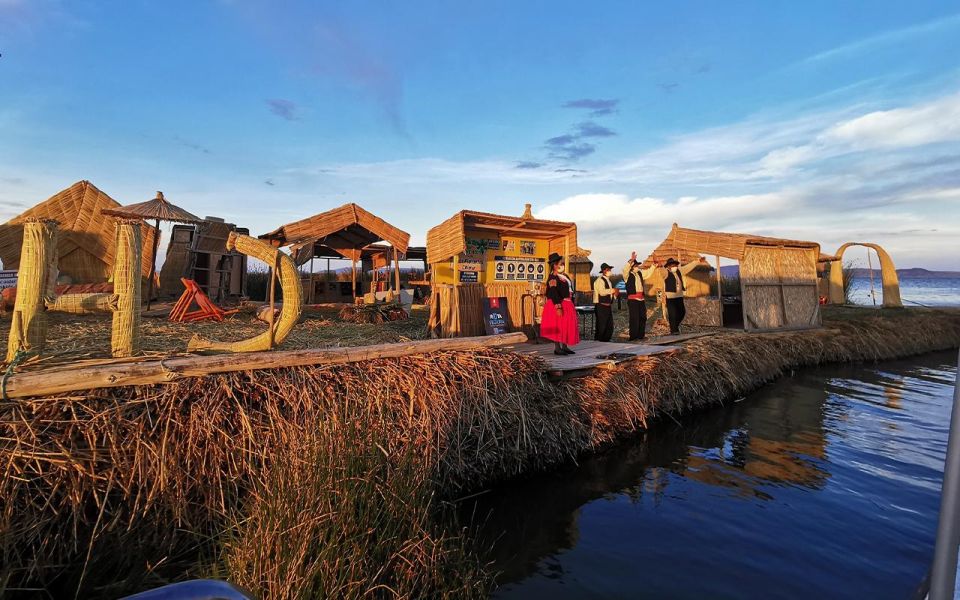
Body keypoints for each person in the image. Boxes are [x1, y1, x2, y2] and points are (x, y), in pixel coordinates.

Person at [540, 252, 580, 355]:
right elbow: (553, 292)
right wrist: (558, 306)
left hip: (566, 303)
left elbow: (569, 289)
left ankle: (564, 346)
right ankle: (557, 348)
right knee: (558, 325)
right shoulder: (553, 277)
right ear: (554, 265)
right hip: (558, 304)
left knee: (565, 325)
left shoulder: (563, 276)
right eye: (560, 263)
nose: (562, 265)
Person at [622, 251, 647, 341]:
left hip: (641, 299)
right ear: (632, 267)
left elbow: (647, 273)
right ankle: (633, 336)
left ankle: (641, 335)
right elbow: (625, 269)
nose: (637, 267)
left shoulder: (639, 273)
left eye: (637, 266)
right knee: (634, 318)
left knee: (643, 317)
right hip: (633, 299)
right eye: (635, 266)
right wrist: (631, 260)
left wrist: (654, 266)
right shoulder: (627, 275)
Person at [592, 262, 617, 341]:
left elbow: (609, 293)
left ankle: (606, 340)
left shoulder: (608, 281)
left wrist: (614, 294)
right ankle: (599, 340)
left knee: (609, 325)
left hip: (607, 305)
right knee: (601, 325)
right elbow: (602, 292)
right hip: (601, 306)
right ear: (603, 271)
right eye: (608, 269)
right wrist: (613, 290)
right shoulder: (600, 280)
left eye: (610, 269)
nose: (609, 271)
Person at [663, 257, 686, 334]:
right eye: (672, 265)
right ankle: (674, 330)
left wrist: (697, 261)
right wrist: (659, 266)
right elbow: (661, 271)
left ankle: (675, 326)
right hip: (670, 297)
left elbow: (687, 268)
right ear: (668, 266)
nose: (674, 267)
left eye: (675, 265)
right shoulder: (666, 273)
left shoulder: (678, 271)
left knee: (682, 312)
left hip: (679, 296)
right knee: (672, 314)